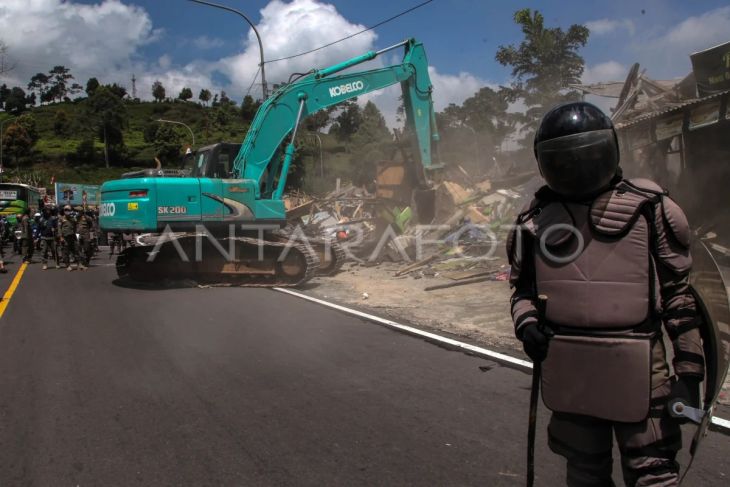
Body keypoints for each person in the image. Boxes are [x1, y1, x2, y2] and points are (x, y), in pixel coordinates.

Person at [508, 102, 704, 486]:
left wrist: (690, 374)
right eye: (565, 160)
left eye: (586, 156)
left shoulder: (651, 208)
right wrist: (527, 325)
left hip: (642, 366)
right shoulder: (534, 221)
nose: (578, 168)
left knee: (653, 473)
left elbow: (680, 300)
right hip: (569, 370)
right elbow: (522, 291)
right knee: (583, 473)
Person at [59, 205, 80, 271]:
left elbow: (75, 227)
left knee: (76, 250)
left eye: (68, 210)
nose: (67, 211)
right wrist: (61, 237)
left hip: (73, 236)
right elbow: (59, 229)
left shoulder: (73, 219)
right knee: (66, 251)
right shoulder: (61, 219)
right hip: (65, 238)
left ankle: (79, 264)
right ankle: (67, 265)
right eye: (66, 210)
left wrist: (77, 235)